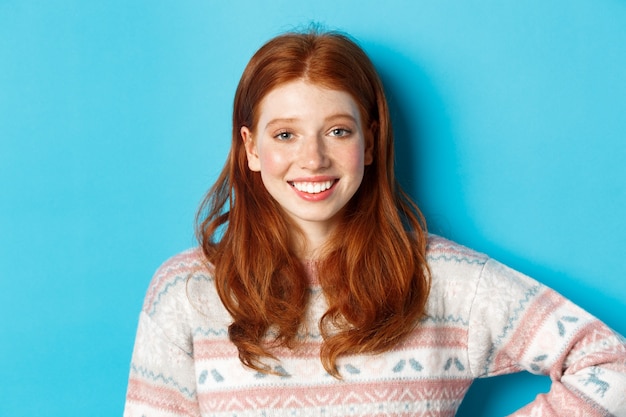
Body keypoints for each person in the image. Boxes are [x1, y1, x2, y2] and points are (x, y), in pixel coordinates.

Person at [124, 29, 626, 417]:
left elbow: (611, 366)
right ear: (251, 148)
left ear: (369, 141)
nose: (313, 158)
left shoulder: (442, 280)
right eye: (285, 135)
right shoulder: (185, 290)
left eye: (337, 131)